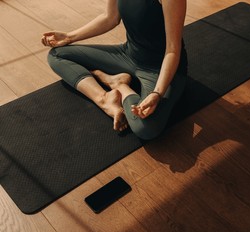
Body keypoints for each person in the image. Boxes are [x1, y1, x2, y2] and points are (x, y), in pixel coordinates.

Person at [41, 0, 188, 140]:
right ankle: (104, 99)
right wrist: (68, 37)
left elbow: (173, 50)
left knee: (146, 128)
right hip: (128, 55)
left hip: (160, 68)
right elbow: (110, 18)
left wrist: (157, 93)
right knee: (57, 55)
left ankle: (120, 86)